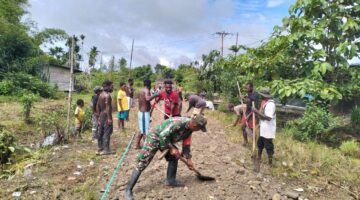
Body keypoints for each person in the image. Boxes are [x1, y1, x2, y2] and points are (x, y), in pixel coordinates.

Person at [124, 115, 208, 200]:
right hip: (155, 136)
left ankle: (170, 180)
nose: (199, 130)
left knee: (174, 157)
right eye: (199, 129)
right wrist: (171, 148)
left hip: (167, 139)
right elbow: (162, 135)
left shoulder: (190, 129)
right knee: (142, 162)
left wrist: (188, 159)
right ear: (195, 125)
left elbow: (186, 145)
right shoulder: (179, 123)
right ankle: (128, 190)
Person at [253, 88, 276, 171]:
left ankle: (270, 162)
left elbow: (268, 118)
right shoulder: (266, 103)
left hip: (268, 130)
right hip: (264, 128)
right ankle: (259, 157)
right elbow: (262, 115)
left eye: (261, 95)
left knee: (268, 146)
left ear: (264, 96)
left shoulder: (270, 104)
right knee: (260, 143)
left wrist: (256, 111)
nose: (260, 97)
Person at [135, 80, 159, 149]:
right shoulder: (146, 90)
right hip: (143, 113)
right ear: (149, 84)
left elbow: (144, 101)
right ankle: (146, 147)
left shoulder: (142, 90)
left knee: (142, 130)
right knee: (145, 131)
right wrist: (155, 95)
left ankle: (137, 145)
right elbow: (147, 98)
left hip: (143, 113)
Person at [96, 80, 114, 155]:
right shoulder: (107, 96)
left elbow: (97, 106)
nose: (112, 87)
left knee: (101, 131)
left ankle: (100, 147)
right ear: (107, 86)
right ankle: (106, 150)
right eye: (111, 86)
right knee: (107, 132)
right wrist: (109, 118)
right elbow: (108, 107)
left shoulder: (100, 95)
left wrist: (99, 116)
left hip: (101, 115)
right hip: (106, 115)